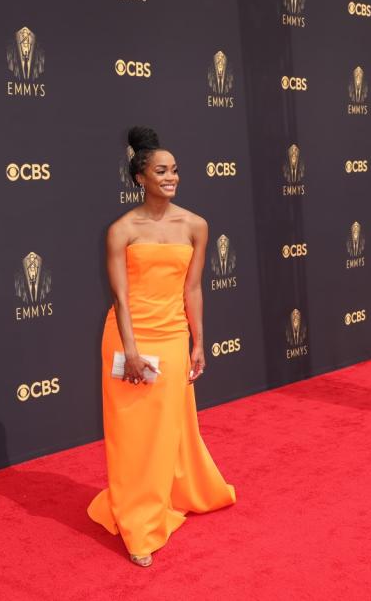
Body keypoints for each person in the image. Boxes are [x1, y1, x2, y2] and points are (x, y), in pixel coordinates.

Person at [88, 126, 236, 568]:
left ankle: (171, 494)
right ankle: (138, 524)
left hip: (172, 339)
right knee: (132, 433)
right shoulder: (121, 229)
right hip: (128, 337)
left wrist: (198, 342)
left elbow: (193, 290)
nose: (170, 177)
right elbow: (120, 296)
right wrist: (131, 351)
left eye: (174, 170)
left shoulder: (195, 225)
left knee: (168, 428)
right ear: (140, 177)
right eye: (160, 171)